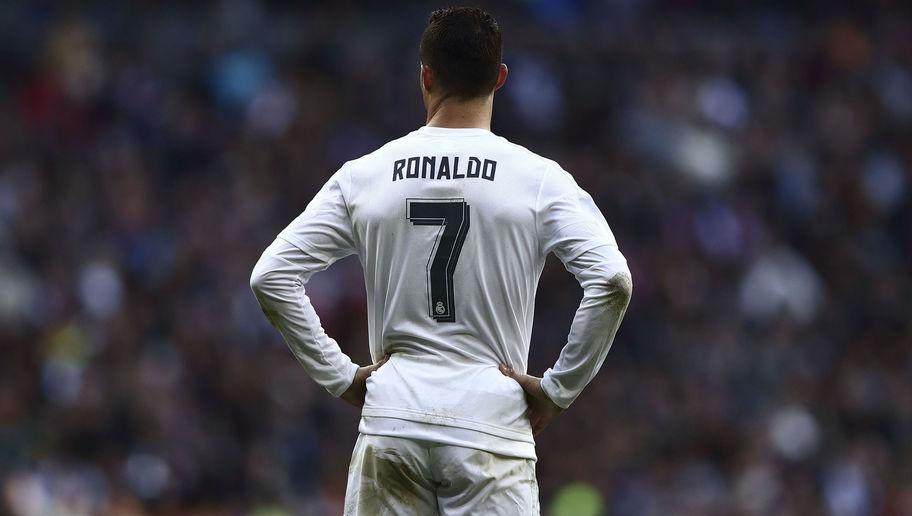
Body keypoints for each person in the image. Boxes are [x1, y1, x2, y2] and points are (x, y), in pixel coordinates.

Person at [250, 7, 632, 515]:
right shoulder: (539, 180)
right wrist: (558, 389)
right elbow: (611, 280)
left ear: (425, 76)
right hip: (490, 426)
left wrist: (339, 374)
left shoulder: (365, 175)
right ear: (500, 78)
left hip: (392, 419)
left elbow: (271, 276)